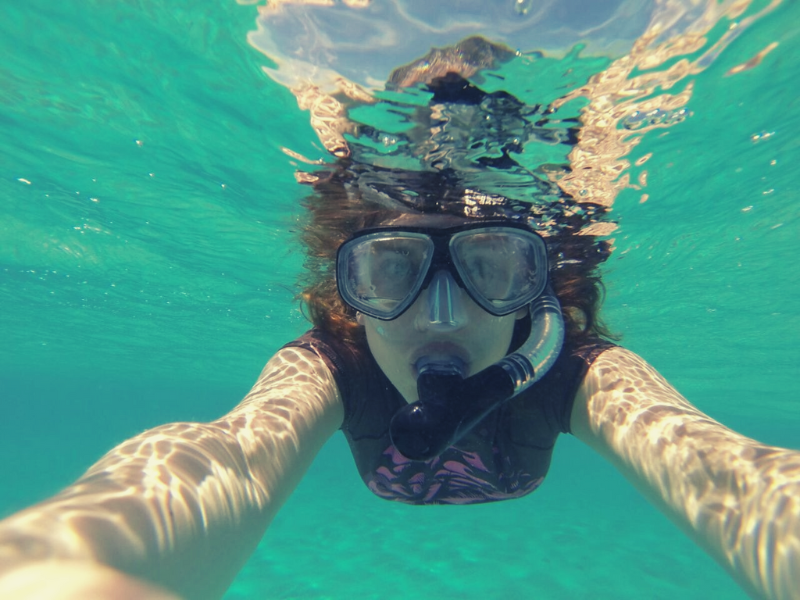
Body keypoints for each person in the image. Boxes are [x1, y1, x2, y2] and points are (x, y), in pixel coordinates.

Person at [0, 159, 798, 600]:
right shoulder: (329, 365)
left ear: (537, 287)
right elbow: (226, 455)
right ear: (350, 291)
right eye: (392, 272)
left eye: (491, 265)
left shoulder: (580, 370)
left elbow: (723, 469)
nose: (442, 315)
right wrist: (55, 567)